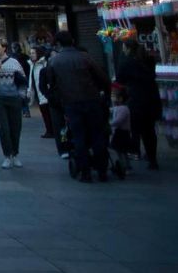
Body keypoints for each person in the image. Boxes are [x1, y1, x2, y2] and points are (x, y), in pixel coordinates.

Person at [41, 30, 110, 183]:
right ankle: (102, 170)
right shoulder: (85, 57)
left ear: (57, 44)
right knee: (97, 135)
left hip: (71, 104)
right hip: (92, 101)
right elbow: (103, 79)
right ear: (72, 41)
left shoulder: (54, 61)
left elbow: (52, 84)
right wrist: (104, 95)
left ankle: (85, 171)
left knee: (78, 137)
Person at [117, 41, 162, 170]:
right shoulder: (149, 60)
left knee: (136, 128)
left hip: (136, 99)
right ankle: (152, 159)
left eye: (124, 47)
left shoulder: (127, 63)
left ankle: (134, 151)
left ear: (127, 48)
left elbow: (120, 79)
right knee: (150, 130)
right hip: (152, 97)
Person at [0, 38, 27, 169]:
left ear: (4, 48)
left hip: (14, 99)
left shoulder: (14, 63)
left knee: (15, 128)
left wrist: (21, 96)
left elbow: (23, 80)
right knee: (3, 128)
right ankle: (7, 155)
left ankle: (15, 154)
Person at [30, 47, 57, 141]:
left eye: (33, 53)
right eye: (31, 53)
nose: (31, 55)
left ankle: (51, 131)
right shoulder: (32, 64)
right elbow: (32, 79)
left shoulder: (43, 64)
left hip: (45, 93)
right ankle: (49, 130)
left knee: (48, 113)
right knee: (45, 113)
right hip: (39, 92)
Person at [109, 87, 135, 177]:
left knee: (122, 151)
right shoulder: (118, 108)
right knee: (120, 151)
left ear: (120, 98)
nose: (112, 98)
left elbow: (118, 121)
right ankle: (123, 165)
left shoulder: (123, 109)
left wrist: (110, 124)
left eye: (114, 96)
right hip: (119, 133)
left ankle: (126, 167)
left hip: (122, 133)